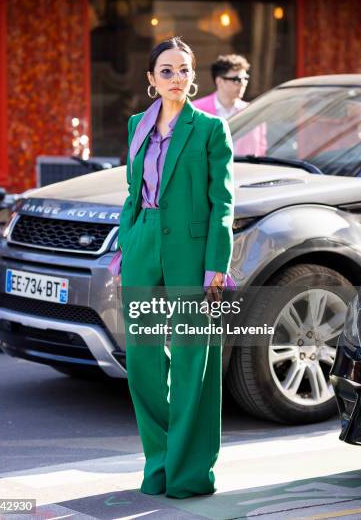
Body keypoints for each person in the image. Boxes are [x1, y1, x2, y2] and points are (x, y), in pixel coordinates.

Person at [108, 37, 235, 499]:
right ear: (150, 79)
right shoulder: (136, 126)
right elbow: (131, 190)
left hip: (191, 253)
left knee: (190, 359)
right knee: (141, 359)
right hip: (143, 244)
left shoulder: (209, 130)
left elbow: (222, 201)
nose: (176, 78)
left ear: (193, 75)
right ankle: (159, 463)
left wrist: (216, 265)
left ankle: (188, 472)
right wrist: (127, 242)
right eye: (166, 71)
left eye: (183, 70)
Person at [194, 54, 267, 156]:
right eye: (237, 79)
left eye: (245, 78)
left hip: (246, 170)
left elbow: (261, 151)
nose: (243, 83)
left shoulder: (253, 112)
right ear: (219, 81)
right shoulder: (196, 111)